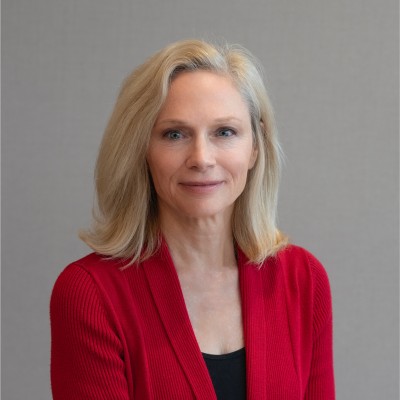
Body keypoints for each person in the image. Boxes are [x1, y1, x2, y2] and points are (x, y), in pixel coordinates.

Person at [50, 39, 335, 399]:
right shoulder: (91, 294)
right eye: (175, 134)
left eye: (224, 132)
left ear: (255, 146)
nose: (201, 158)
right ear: (142, 149)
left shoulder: (303, 280)